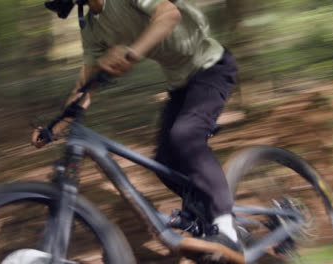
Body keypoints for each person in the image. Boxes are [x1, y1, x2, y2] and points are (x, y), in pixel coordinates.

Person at [31, 0, 241, 260]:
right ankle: (205, 216)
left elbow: (168, 14)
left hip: (212, 68)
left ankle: (226, 230)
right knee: (164, 161)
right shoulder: (93, 31)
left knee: (185, 136)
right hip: (180, 84)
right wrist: (55, 126)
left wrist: (131, 53)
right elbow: (85, 85)